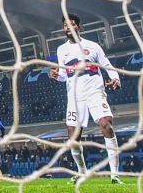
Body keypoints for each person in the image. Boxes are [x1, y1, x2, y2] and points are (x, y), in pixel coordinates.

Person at [50, 13, 122, 183]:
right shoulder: (62, 50)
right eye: (66, 26)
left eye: (72, 24)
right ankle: (82, 172)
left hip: (95, 92)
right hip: (74, 96)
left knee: (106, 124)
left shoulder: (93, 46)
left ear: (79, 27)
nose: (68, 28)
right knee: (73, 136)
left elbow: (107, 65)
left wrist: (116, 79)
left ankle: (115, 175)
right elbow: (63, 75)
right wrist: (56, 75)